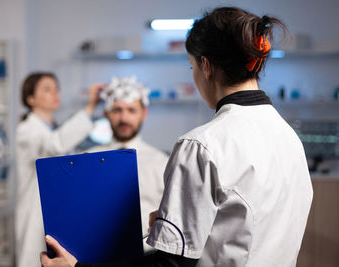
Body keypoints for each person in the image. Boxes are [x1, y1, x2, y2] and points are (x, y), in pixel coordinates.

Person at [41, 6, 313, 267]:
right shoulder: (289, 138)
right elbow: (247, 229)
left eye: (191, 66)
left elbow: (170, 265)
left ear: (205, 66)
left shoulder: (201, 145)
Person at [15, 72, 103, 267]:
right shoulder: (27, 130)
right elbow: (55, 145)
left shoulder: (52, 128)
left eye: (56, 89)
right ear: (31, 99)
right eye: (47, 89)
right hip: (34, 210)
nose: (55, 93)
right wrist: (90, 108)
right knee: (34, 258)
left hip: (55, 206)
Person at [85, 76, 169, 252]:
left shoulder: (161, 162)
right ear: (106, 113)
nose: (124, 118)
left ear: (143, 114)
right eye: (117, 110)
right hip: (96, 254)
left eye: (131, 110)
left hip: (147, 258)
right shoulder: (87, 159)